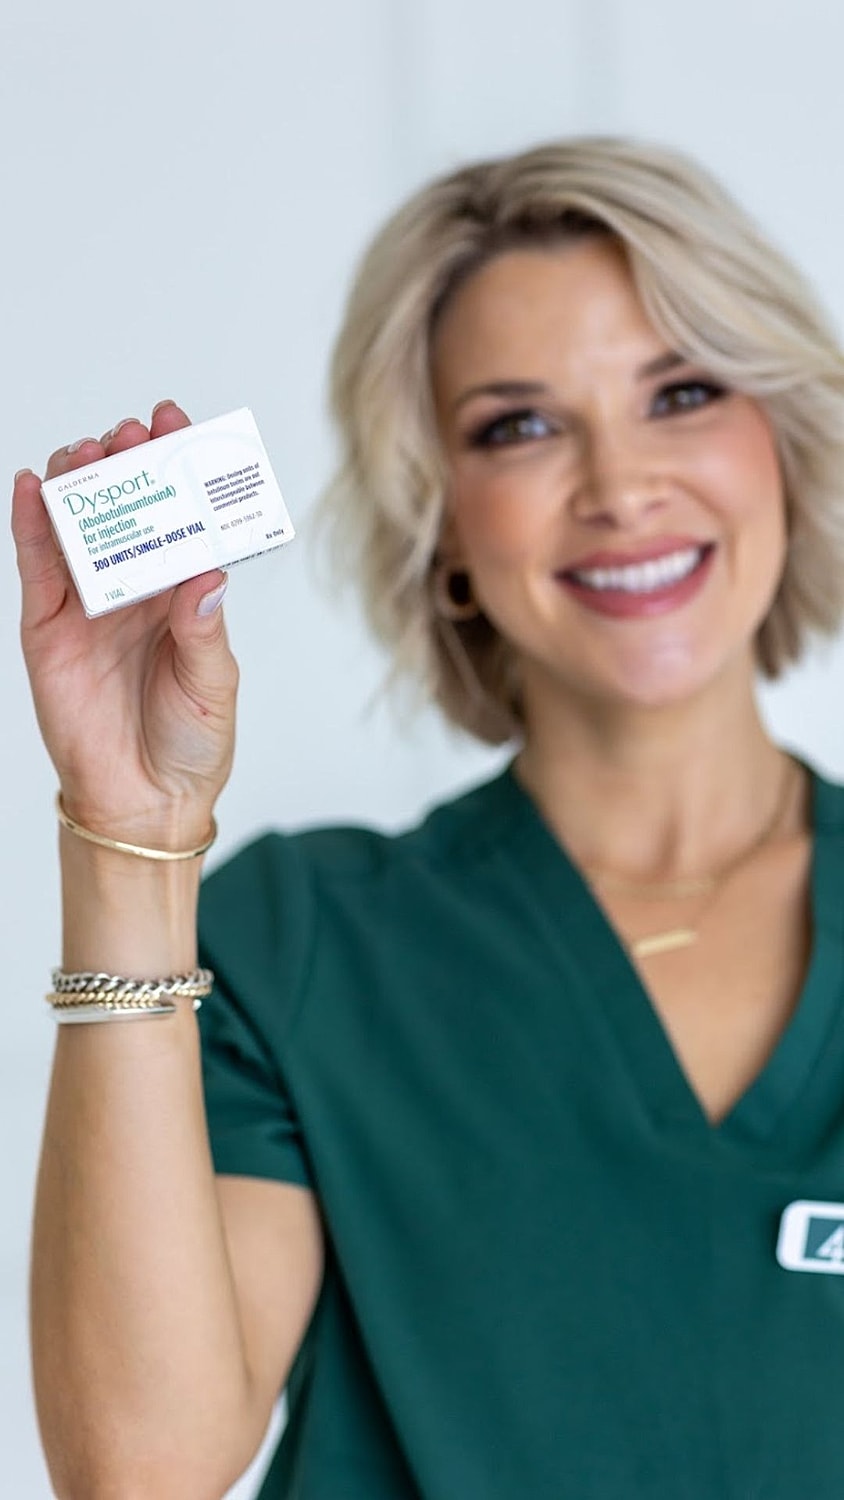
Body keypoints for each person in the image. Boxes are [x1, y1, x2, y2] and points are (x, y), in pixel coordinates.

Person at [15, 136, 844, 1499]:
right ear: (443, 522)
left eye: (683, 391)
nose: (620, 485)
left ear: (786, 446)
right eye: (518, 425)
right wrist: (128, 824)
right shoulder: (304, 946)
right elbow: (138, 1469)